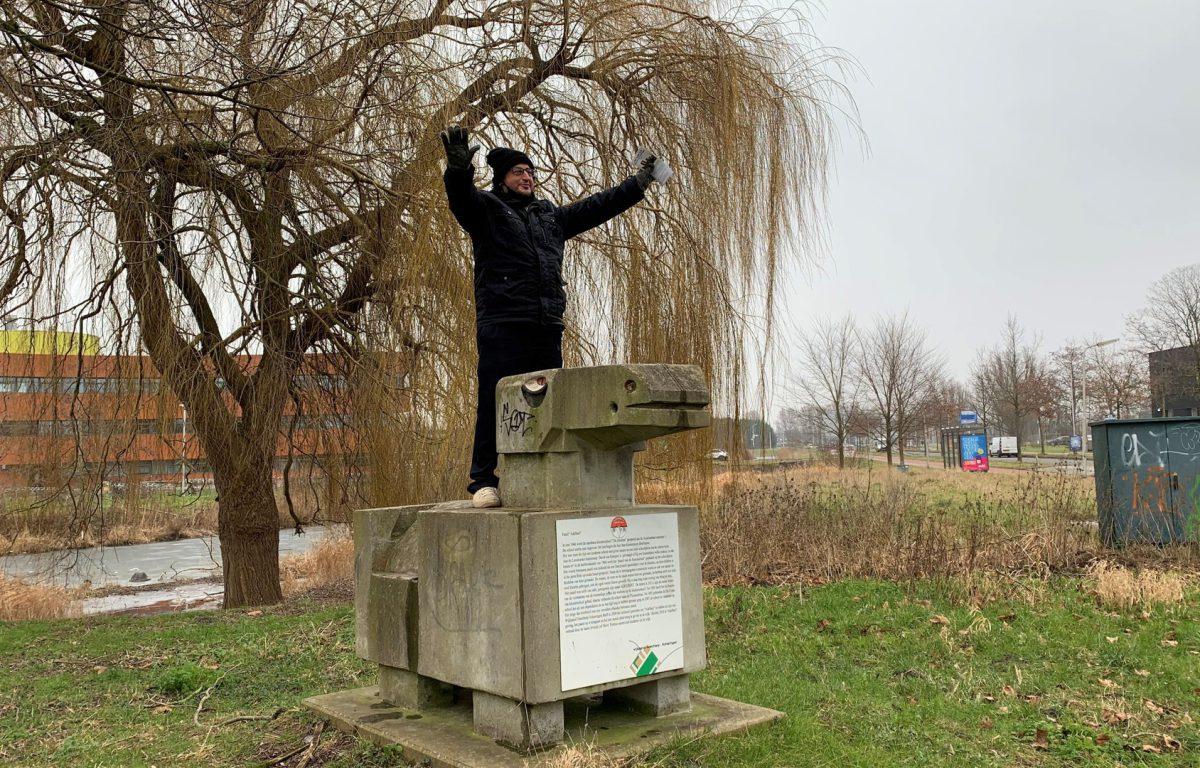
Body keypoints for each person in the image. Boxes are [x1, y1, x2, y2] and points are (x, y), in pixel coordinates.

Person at [441, 125, 660, 508]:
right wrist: (458, 169)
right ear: (502, 179)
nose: (526, 177)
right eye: (517, 172)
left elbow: (597, 206)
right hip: (503, 321)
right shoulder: (488, 210)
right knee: (496, 398)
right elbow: (460, 199)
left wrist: (637, 184)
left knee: (545, 398)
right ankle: (482, 481)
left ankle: (542, 466)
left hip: (546, 323)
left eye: (530, 172)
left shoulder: (549, 217)